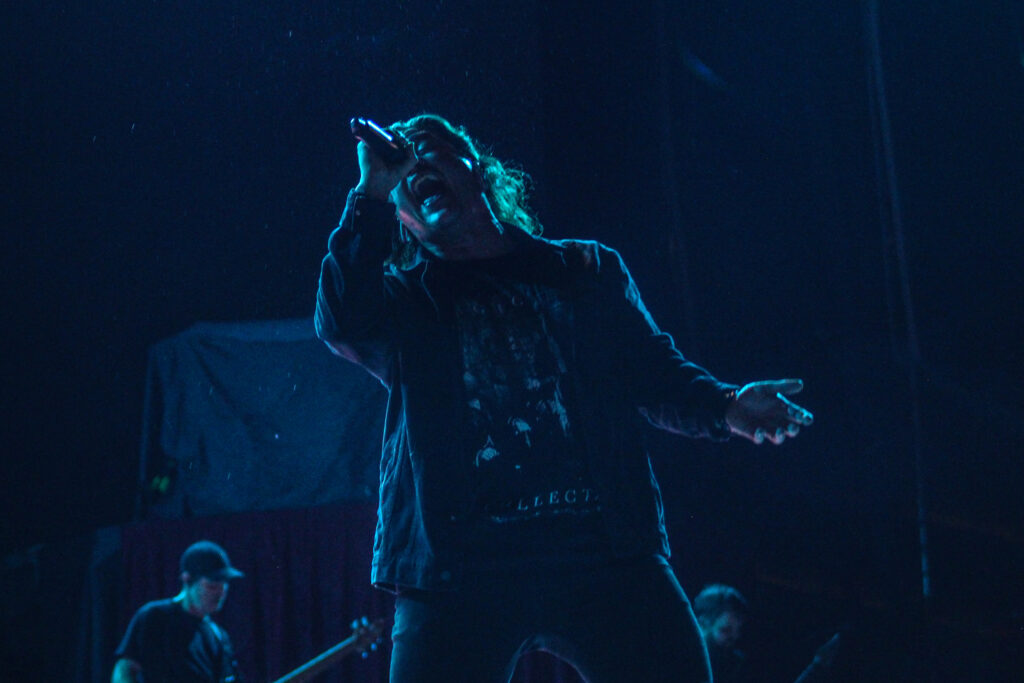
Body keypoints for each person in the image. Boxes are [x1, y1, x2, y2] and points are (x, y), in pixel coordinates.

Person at [315, 113, 814, 682]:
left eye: (430, 152)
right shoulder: (406, 301)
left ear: (478, 170)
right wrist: (369, 192)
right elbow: (341, 321)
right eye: (403, 170)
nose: (415, 167)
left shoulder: (584, 270)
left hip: (603, 556)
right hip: (459, 567)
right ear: (401, 217)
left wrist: (727, 406)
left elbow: (652, 372)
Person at [112, 540, 244, 683]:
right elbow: (125, 669)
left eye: (224, 587)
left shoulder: (218, 636)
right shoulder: (155, 616)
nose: (220, 593)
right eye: (212, 586)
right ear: (187, 579)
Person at [693, 583, 750, 683]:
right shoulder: (680, 662)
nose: (735, 637)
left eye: (738, 630)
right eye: (726, 630)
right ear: (702, 624)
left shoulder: (735, 664)